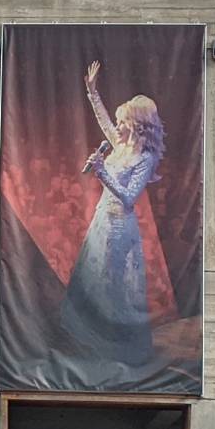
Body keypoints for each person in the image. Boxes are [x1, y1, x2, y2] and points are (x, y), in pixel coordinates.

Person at [60, 60, 167, 369]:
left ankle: (117, 349)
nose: (117, 127)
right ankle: (94, 342)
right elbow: (102, 118)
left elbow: (130, 198)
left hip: (120, 227)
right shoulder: (120, 144)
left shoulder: (144, 158)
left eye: (123, 122)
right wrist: (91, 90)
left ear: (136, 124)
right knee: (93, 279)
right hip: (102, 221)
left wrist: (102, 172)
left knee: (113, 286)